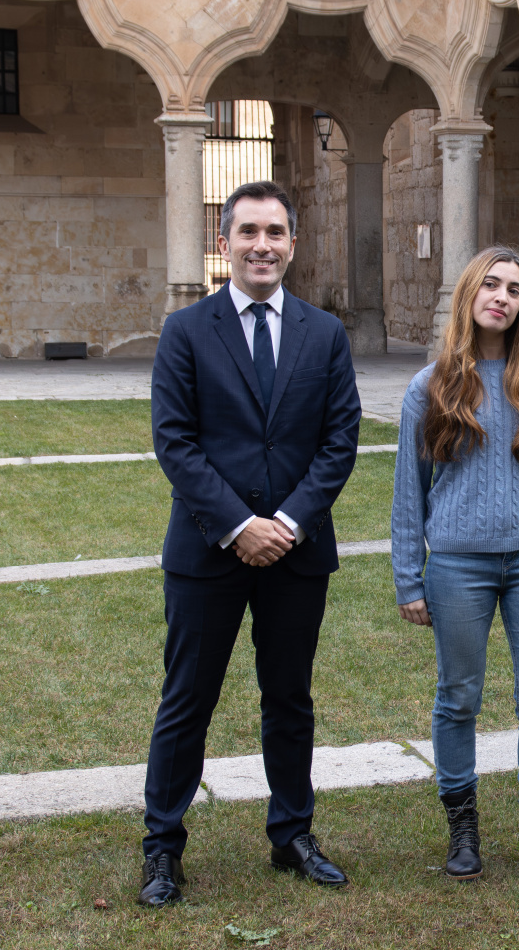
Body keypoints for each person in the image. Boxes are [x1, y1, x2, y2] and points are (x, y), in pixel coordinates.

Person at [138, 180, 361, 907]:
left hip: (298, 553)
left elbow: (339, 440)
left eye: (275, 233)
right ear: (225, 242)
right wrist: (240, 526)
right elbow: (175, 442)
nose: (261, 245)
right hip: (208, 550)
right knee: (187, 701)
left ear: (293, 244)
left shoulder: (323, 333)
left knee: (289, 699)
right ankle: (162, 848)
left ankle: (292, 833)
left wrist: (287, 523)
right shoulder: (185, 331)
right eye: (248, 232)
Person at [391, 245, 519, 883]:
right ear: (470, 293)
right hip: (457, 567)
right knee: (458, 698)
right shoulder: (432, 386)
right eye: (491, 285)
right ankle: (463, 831)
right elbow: (408, 492)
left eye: (516, 290)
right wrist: (408, 579)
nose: (503, 297)